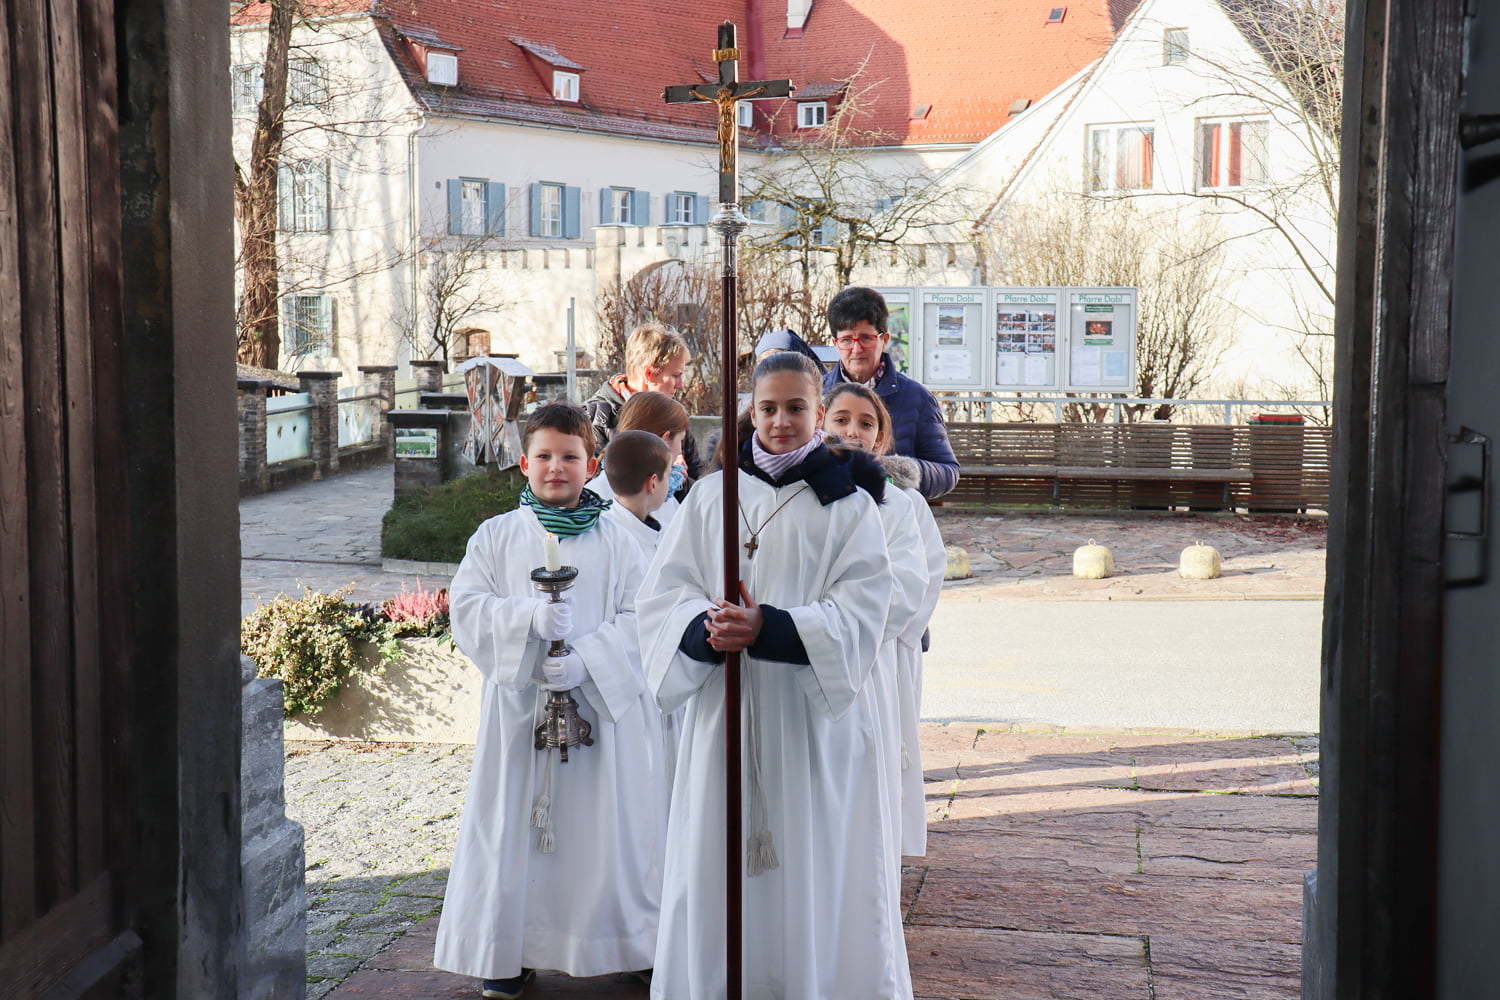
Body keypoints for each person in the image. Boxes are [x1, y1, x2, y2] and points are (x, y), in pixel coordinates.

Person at [637, 351, 912, 1000]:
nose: (781, 421)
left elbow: (865, 611)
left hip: (811, 723)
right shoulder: (712, 497)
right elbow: (662, 597)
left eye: (795, 408)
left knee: (812, 865)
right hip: (725, 714)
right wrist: (707, 630)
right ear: (750, 412)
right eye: (768, 408)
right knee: (717, 866)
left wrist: (771, 627)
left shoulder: (848, 506)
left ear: (819, 412)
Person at [434, 403, 667, 1000]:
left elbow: (647, 616)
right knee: (513, 827)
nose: (556, 467)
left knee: (608, 829)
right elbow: (467, 608)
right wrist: (526, 621)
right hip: (522, 710)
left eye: (569, 456)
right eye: (544, 456)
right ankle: (509, 952)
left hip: (600, 711)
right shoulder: (497, 537)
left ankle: (627, 942)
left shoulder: (620, 539)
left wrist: (590, 658)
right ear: (524, 464)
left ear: (593, 466)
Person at [824, 382, 947, 858]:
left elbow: (923, 573)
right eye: (841, 420)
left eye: (866, 423)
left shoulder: (903, 501)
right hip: (821, 639)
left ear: (880, 437)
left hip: (881, 650)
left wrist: (869, 624)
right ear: (821, 423)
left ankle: (877, 849)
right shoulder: (806, 491)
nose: (853, 431)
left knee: (879, 751)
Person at [823, 286, 961, 500]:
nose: (856, 349)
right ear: (835, 343)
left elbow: (947, 472)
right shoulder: (816, 395)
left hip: (893, 513)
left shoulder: (917, 397)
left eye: (866, 338)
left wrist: (892, 470)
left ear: (884, 339)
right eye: (847, 340)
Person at [585, 323, 705, 480]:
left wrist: (680, 480)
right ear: (649, 373)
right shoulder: (594, 419)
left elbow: (698, 482)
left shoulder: (674, 415)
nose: (681, 385)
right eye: (676, 375)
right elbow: (593, 486)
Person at [588, 391, 692, 525]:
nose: (680, 451)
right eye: (680, 440)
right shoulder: (654, 497)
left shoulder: (595, 492)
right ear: (665, 439)